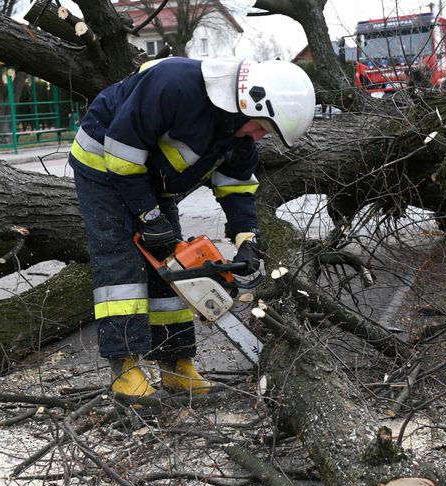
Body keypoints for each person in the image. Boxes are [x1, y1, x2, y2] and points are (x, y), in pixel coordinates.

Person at [68, 57, 315, 397]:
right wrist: (149, 216)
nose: (259, 136)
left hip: (152, 181)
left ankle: (175, 366)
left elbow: (237, 186)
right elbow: (122, 155)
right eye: (262, 126)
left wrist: (247, 238)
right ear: (248, 102)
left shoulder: (239, 135)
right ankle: (125, 370)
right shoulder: (175, 85)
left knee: (175, 267)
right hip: (104, 166)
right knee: (121, 263)